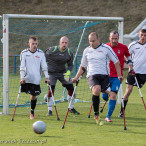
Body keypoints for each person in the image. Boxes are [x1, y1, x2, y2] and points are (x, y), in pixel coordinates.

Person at [72, 32, 123, 126]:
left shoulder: (106, 48)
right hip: (92, 75)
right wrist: (76, 77)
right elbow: (83, 66)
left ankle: (108, 111)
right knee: (96, 90)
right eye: (90, 41)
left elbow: (116, 62)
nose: (91, 43)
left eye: (93, 41)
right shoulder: (86, 50)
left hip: (104, 76)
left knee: (111, 94)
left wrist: (119, 75)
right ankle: (96, 114)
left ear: (98, 39)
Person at [102, 31, 133, 122]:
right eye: (112, 38)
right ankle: (108, 95)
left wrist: (130, 67)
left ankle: (108, 116)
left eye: (116, 38)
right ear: (109, 38)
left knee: (113, 95)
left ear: (118, 38)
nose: (114, 40)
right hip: (106, 75)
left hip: (117, 76)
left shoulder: (123, 47)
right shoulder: (105, 47)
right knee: (105, 96)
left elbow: (128, 56)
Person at [44, 36, 80, 116]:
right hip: (52, 73)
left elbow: (70, 65)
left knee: (71, 89)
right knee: (51, 89)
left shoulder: (69, 53)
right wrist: (46, 70)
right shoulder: (52, 50)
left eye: (66, 43)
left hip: (63, 73)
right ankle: (49, 110)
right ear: (59, 43)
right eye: (62, 42)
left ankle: (71, 107)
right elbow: (43, 59)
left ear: (68, 44)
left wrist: (67, 73)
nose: (64, 44)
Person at [20, 36, 50, 119]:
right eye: (33, 44)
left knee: (33, 95)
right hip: (26, 78)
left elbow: (44, 66)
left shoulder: (40, 53)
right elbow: (22, 66)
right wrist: (22, 77)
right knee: (28, 94)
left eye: (36, 44)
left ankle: (32, 112)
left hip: (36, 79)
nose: (34, 45)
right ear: (29, 44)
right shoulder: (24, 53)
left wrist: (47, 77)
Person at [118, 28, 146, 117]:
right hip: (133, 72)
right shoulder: (133, 45)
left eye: (145, 36)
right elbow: (126, 56)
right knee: (128, 90)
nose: (143, 37)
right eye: (142, 35)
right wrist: (127, 62)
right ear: (139, 34)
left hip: (144, 73)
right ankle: (122, 111)